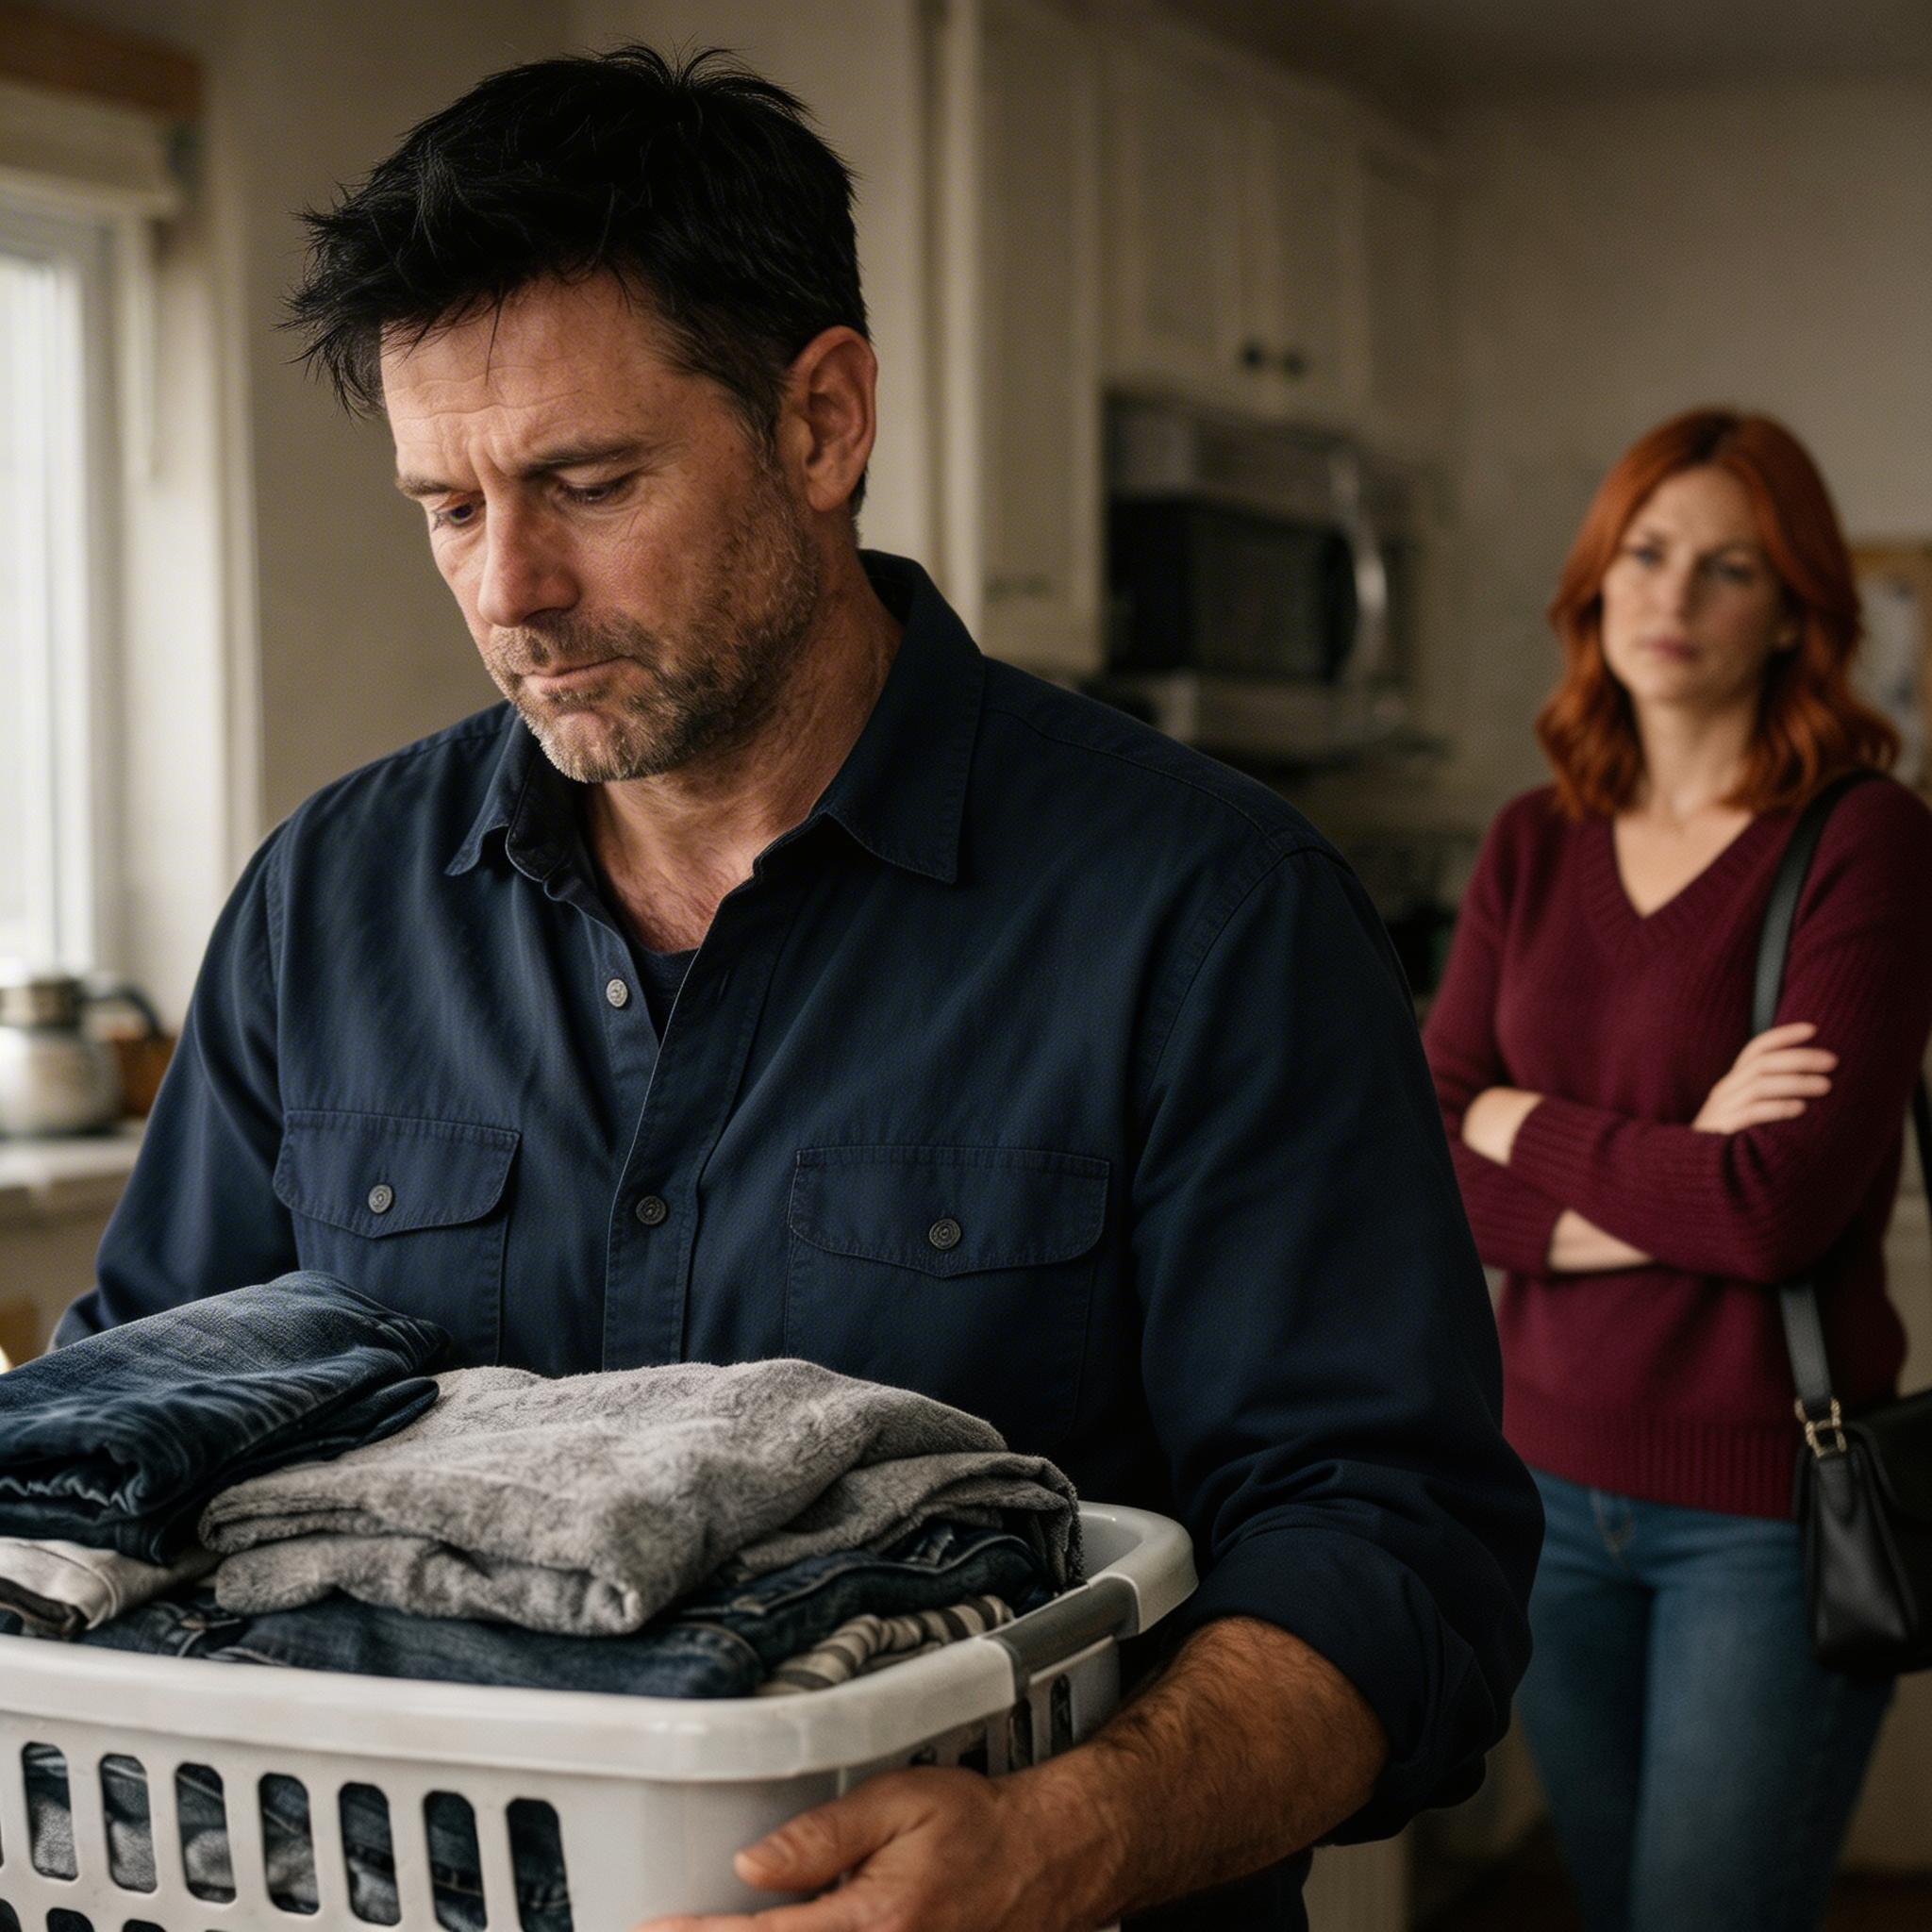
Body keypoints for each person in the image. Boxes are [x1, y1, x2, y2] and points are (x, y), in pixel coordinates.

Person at [58, 47, 1540, 1930]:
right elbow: (137, 1467)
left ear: (821, 421)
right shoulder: (323, 904)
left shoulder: (1207, 914)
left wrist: (1055, 1841)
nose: (509, 588)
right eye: (445, 505)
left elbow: (1396, 1551)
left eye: (587, 483)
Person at [1424, 407, 1932, 1932]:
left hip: (1765, 1513)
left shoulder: (1866, 844)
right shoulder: (1531, 841)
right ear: (1596, 580)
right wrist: (1673, 1163)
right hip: (1539, 1484)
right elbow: (1429, 1145)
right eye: (1646, 554)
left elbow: (1774, 1210)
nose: (1673, 597)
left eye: (1728, 569)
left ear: (1794, 613)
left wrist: (1529, 1129)